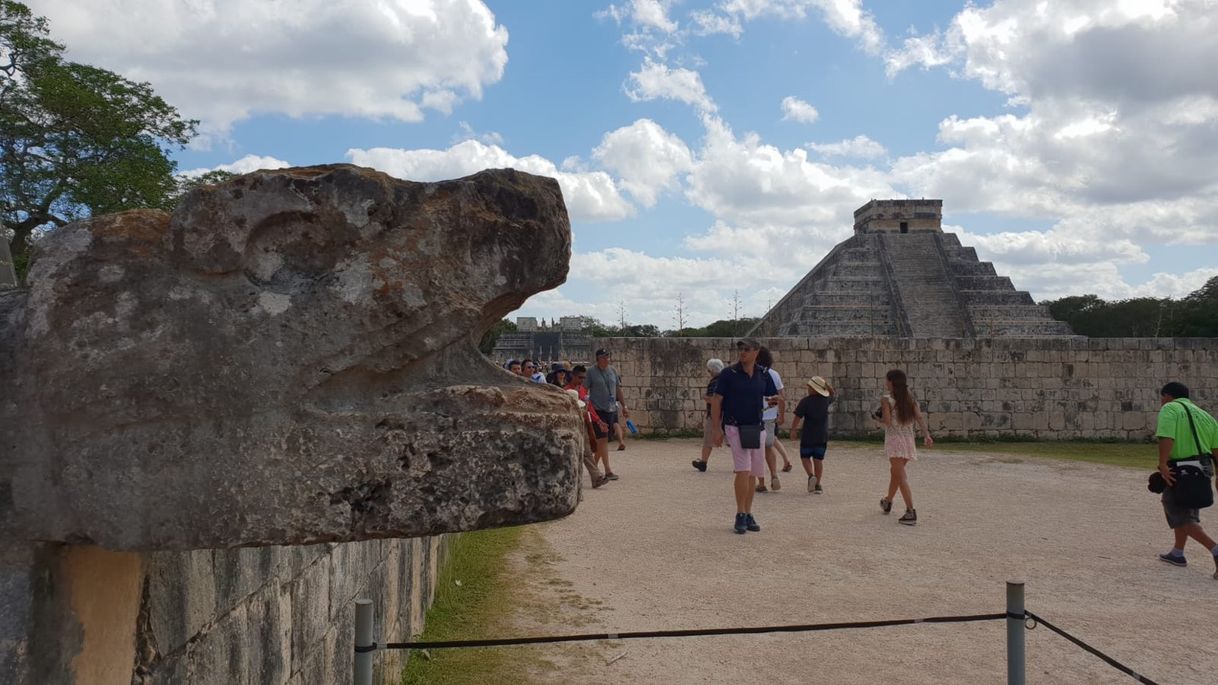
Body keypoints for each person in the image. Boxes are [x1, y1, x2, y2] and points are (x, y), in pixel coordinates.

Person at [710, 338, 778, 534]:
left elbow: (773, 395)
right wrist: (716, 429)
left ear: (756, 352)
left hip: (756, 428)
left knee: (753, 473)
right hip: (735, 426)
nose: (742, 352)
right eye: (740, 349)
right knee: (743, 470)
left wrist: (773, 400)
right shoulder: (728, 374)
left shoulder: (763, 375)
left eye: (747, 349)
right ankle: (740, 513)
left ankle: (748, 513)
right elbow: (716, 401)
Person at [1153, 382, 1218, 578]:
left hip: (1181, 467)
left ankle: (1215, 549)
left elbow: (1167, 437)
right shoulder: (1205, 415)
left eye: (1162, 398)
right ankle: (1177, 553)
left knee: (1176, 509)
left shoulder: (1170, 409)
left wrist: (1163, 464)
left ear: (1167, 396)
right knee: (1187, 506)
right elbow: (1216, 449)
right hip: (1203, 467)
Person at [876, 369, 933, 526]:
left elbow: (887, 421)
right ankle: (888, 501)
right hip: (908, 440)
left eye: (887, 380)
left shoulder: (886, 399)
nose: (885, 382)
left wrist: (878, 418)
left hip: (894, 440)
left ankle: (910, 511)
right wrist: (926, 435)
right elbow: (919, 417)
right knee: (896, 472)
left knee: (900, 476)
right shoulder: (910, 398)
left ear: (891, 382)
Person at [584, 349, 628, 480]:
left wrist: (624, 406)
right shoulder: (590, 372)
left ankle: (594, 468)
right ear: (598, 359)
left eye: (607, 357)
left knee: (602, 442)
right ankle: (608, 471)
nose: (606, 359)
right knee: (602, 440)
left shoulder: (613, 370)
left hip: (611, 409)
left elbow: (618, 389)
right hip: (598, 410)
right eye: (604, 357)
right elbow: (584, 390)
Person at [789, 376, 835, 494]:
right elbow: (833, 394)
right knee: (818, 460)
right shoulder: (825, 401)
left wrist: (793, 430)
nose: (808, 388)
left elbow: (797, 417)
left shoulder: (805, 401)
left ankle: (810, 475)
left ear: (813, 389)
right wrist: (826, 385)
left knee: (805, 457)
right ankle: (818, 484)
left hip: (808, 435)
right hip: (822, 435)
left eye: (810, 387)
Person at [755, 347, 790, 492]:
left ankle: (761, 482)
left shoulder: (752, 373)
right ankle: (774, 475)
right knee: (768, 446)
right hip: (769, 416)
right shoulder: (774, 374)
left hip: (754, 415)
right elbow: (781, 397)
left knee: (756, 450)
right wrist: (781, 415)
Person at [564, 388, 608, 489]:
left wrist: (591, 436)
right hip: (572, 436)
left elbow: (588, 424)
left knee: (587, 455)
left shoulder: (583, 411)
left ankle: (596, 477)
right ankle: (574, 481)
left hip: (582, 436)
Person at [692, 358, 725, 472]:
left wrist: (706, 398)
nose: (708, 372)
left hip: (716, 414)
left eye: (709, 370)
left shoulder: (715, 381)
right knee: (734, 441)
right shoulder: (726, 380)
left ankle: (703, 462)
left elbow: (715, 400)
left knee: (708, 440)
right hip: (728, 414)